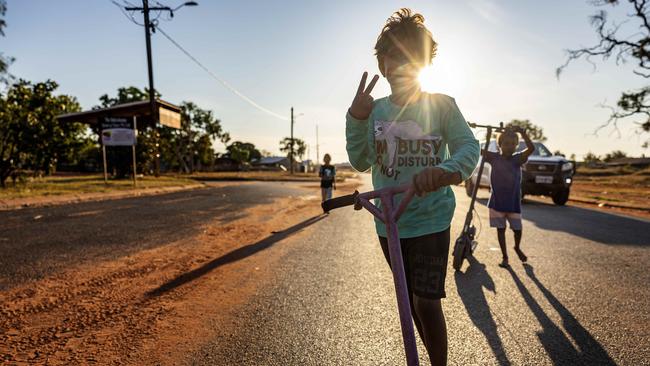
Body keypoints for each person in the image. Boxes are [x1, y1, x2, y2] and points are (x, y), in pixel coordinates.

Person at [345, 8, 479, 365]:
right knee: (410, 302)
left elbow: (469, 147)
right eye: (394, 56)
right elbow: (360, 160)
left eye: (412, 55)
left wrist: (447, 170)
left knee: (426, 300)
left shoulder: (442, 106)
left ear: (425, 62)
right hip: (389, 224)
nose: (402, 64)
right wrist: (356, 117)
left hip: (431, 219)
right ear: (383, 65)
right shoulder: (373, 112)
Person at [484, 126, 534, 268]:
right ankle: (505, 257)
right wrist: (487, 135)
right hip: (497, 203)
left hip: (513, 203)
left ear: (516, 145)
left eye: (513, 144)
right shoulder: (494, 157)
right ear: (500, 145)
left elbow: (531, 149)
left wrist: (523, 133)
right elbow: (477, 150)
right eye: (506, 144)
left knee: (517, 229)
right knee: (501, 230)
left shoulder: (518, 158)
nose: (510, 147)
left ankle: (517, 247)